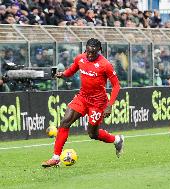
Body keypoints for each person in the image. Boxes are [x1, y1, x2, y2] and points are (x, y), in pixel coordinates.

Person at [42, 38, 124, 167]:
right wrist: (62, 74)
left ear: (99, 51)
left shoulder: (105, 64)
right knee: (65, 121)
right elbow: (71, 71)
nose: (90, 55)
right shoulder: (80, 58)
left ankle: (117, 140)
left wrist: (109, 106)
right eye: (88, 51)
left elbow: (116, 86)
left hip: (98, 103)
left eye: (93, 52)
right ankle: (55, 158)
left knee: (93, 134)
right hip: (82, 98)